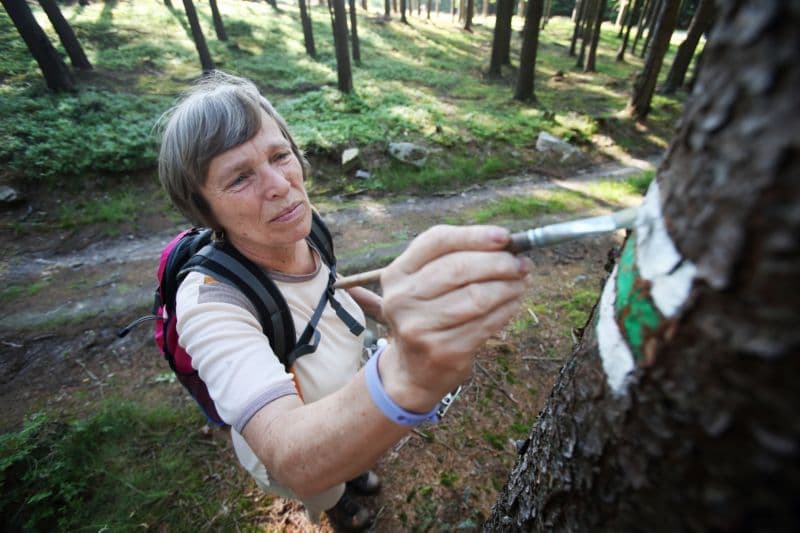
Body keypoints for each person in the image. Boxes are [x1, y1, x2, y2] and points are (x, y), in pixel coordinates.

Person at [157, 71, 532, 530]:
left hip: (349, 390)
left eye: (281, 155)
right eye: (239, 178)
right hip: (307, 439)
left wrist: (383, 312)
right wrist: (407, 372)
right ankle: (339, 507)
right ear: (204, 208)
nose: (279, 184)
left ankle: (352, 468)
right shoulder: (212, 301)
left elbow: (328, 280)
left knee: (349, 457)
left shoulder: (300, 221)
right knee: (323, 482)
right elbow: (292, 454)